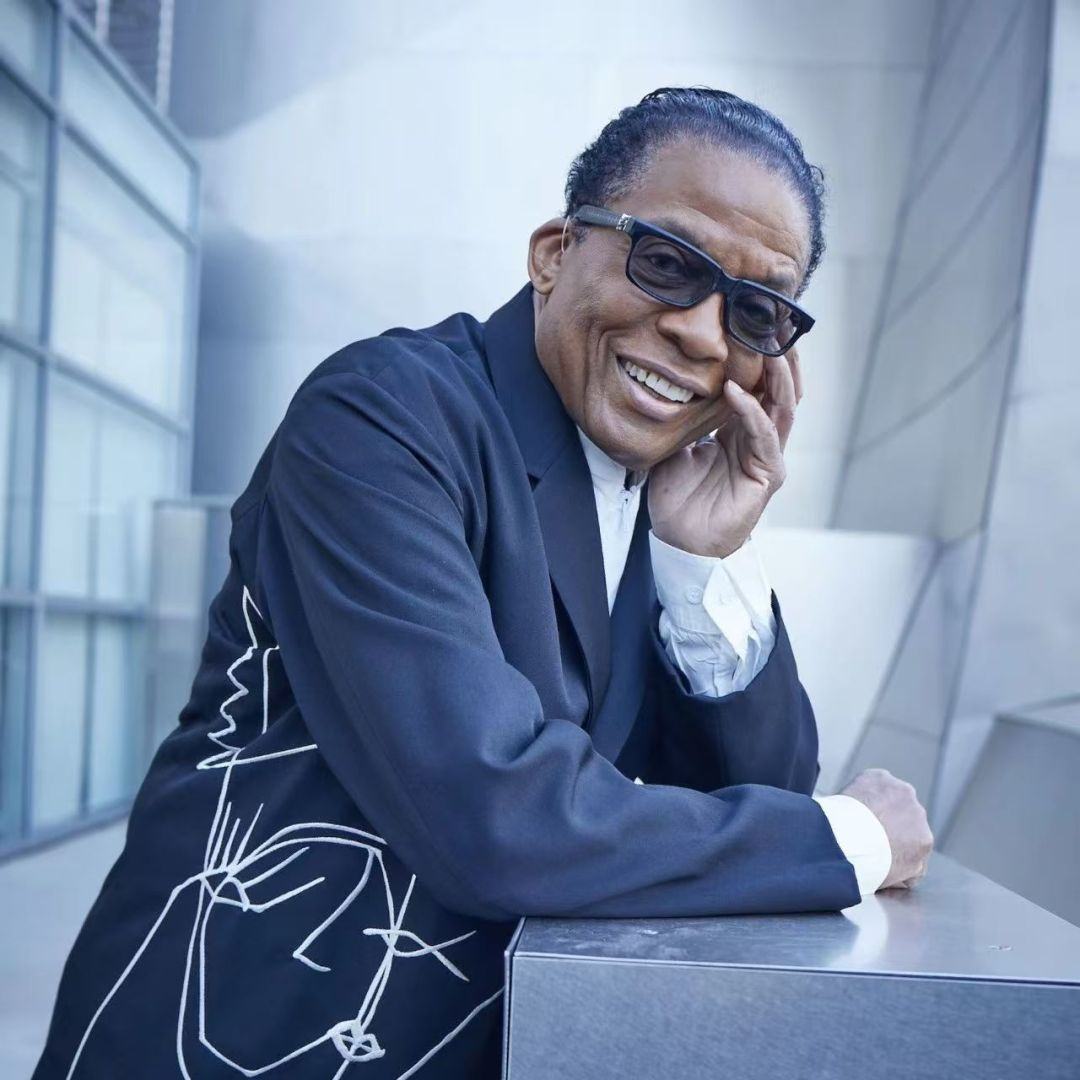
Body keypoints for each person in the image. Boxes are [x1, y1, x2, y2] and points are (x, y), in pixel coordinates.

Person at [33, 86, 933, 1080]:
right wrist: (851, 838)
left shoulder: (662, 494)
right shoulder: (384, 417)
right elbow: (497, 818)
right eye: (669, 263)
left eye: (756, 313)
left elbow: (752, 807)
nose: (706, 336)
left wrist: (701, 562)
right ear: (554, 254)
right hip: (234, 1039)